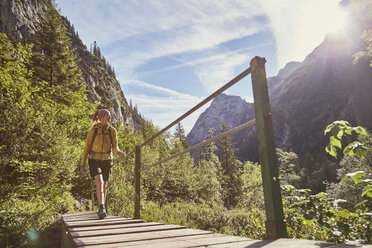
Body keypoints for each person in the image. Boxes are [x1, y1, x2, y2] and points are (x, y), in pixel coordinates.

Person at [80, 109, 126, 219]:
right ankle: (101, 207)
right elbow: (87, 147)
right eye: (107, 116)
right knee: (99, 181)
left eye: (110, 116)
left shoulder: (112, 130)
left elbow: (115, 146)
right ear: (101, 117)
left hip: (107, 160)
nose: (109, 118)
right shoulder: (94, 130)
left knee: (104, 185)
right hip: (94, 160)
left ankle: (103, 206)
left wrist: (118, 152)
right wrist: (82, 163)